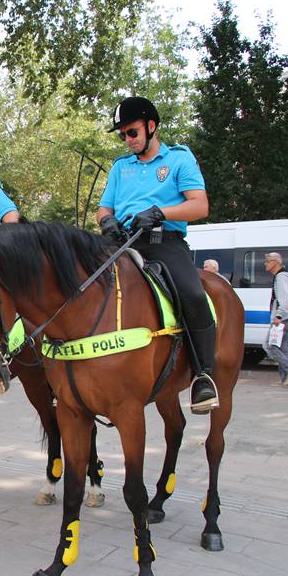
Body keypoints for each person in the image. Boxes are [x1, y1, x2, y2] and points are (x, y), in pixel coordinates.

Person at [96, 96, 218, 415]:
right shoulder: (121, 167)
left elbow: (200, 205)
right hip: (122, 242)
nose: (127, 140)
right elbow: (103, 208)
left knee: (192, 293)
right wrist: (107, 221)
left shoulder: (178, 159)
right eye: (122, 134)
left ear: (151, 127)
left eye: (132, 132)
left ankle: (204, 376)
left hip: (164, 242)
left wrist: (160, 212)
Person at [262, 252, 288, 386]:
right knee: (282, 347)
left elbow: (284, 299)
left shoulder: (281, 277)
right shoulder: (285, 277)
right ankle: (287, 380)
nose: (265, 264)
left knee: (270, 345)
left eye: (267, 261)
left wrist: (278, 316)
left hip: (283, 318)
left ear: (275, 262)